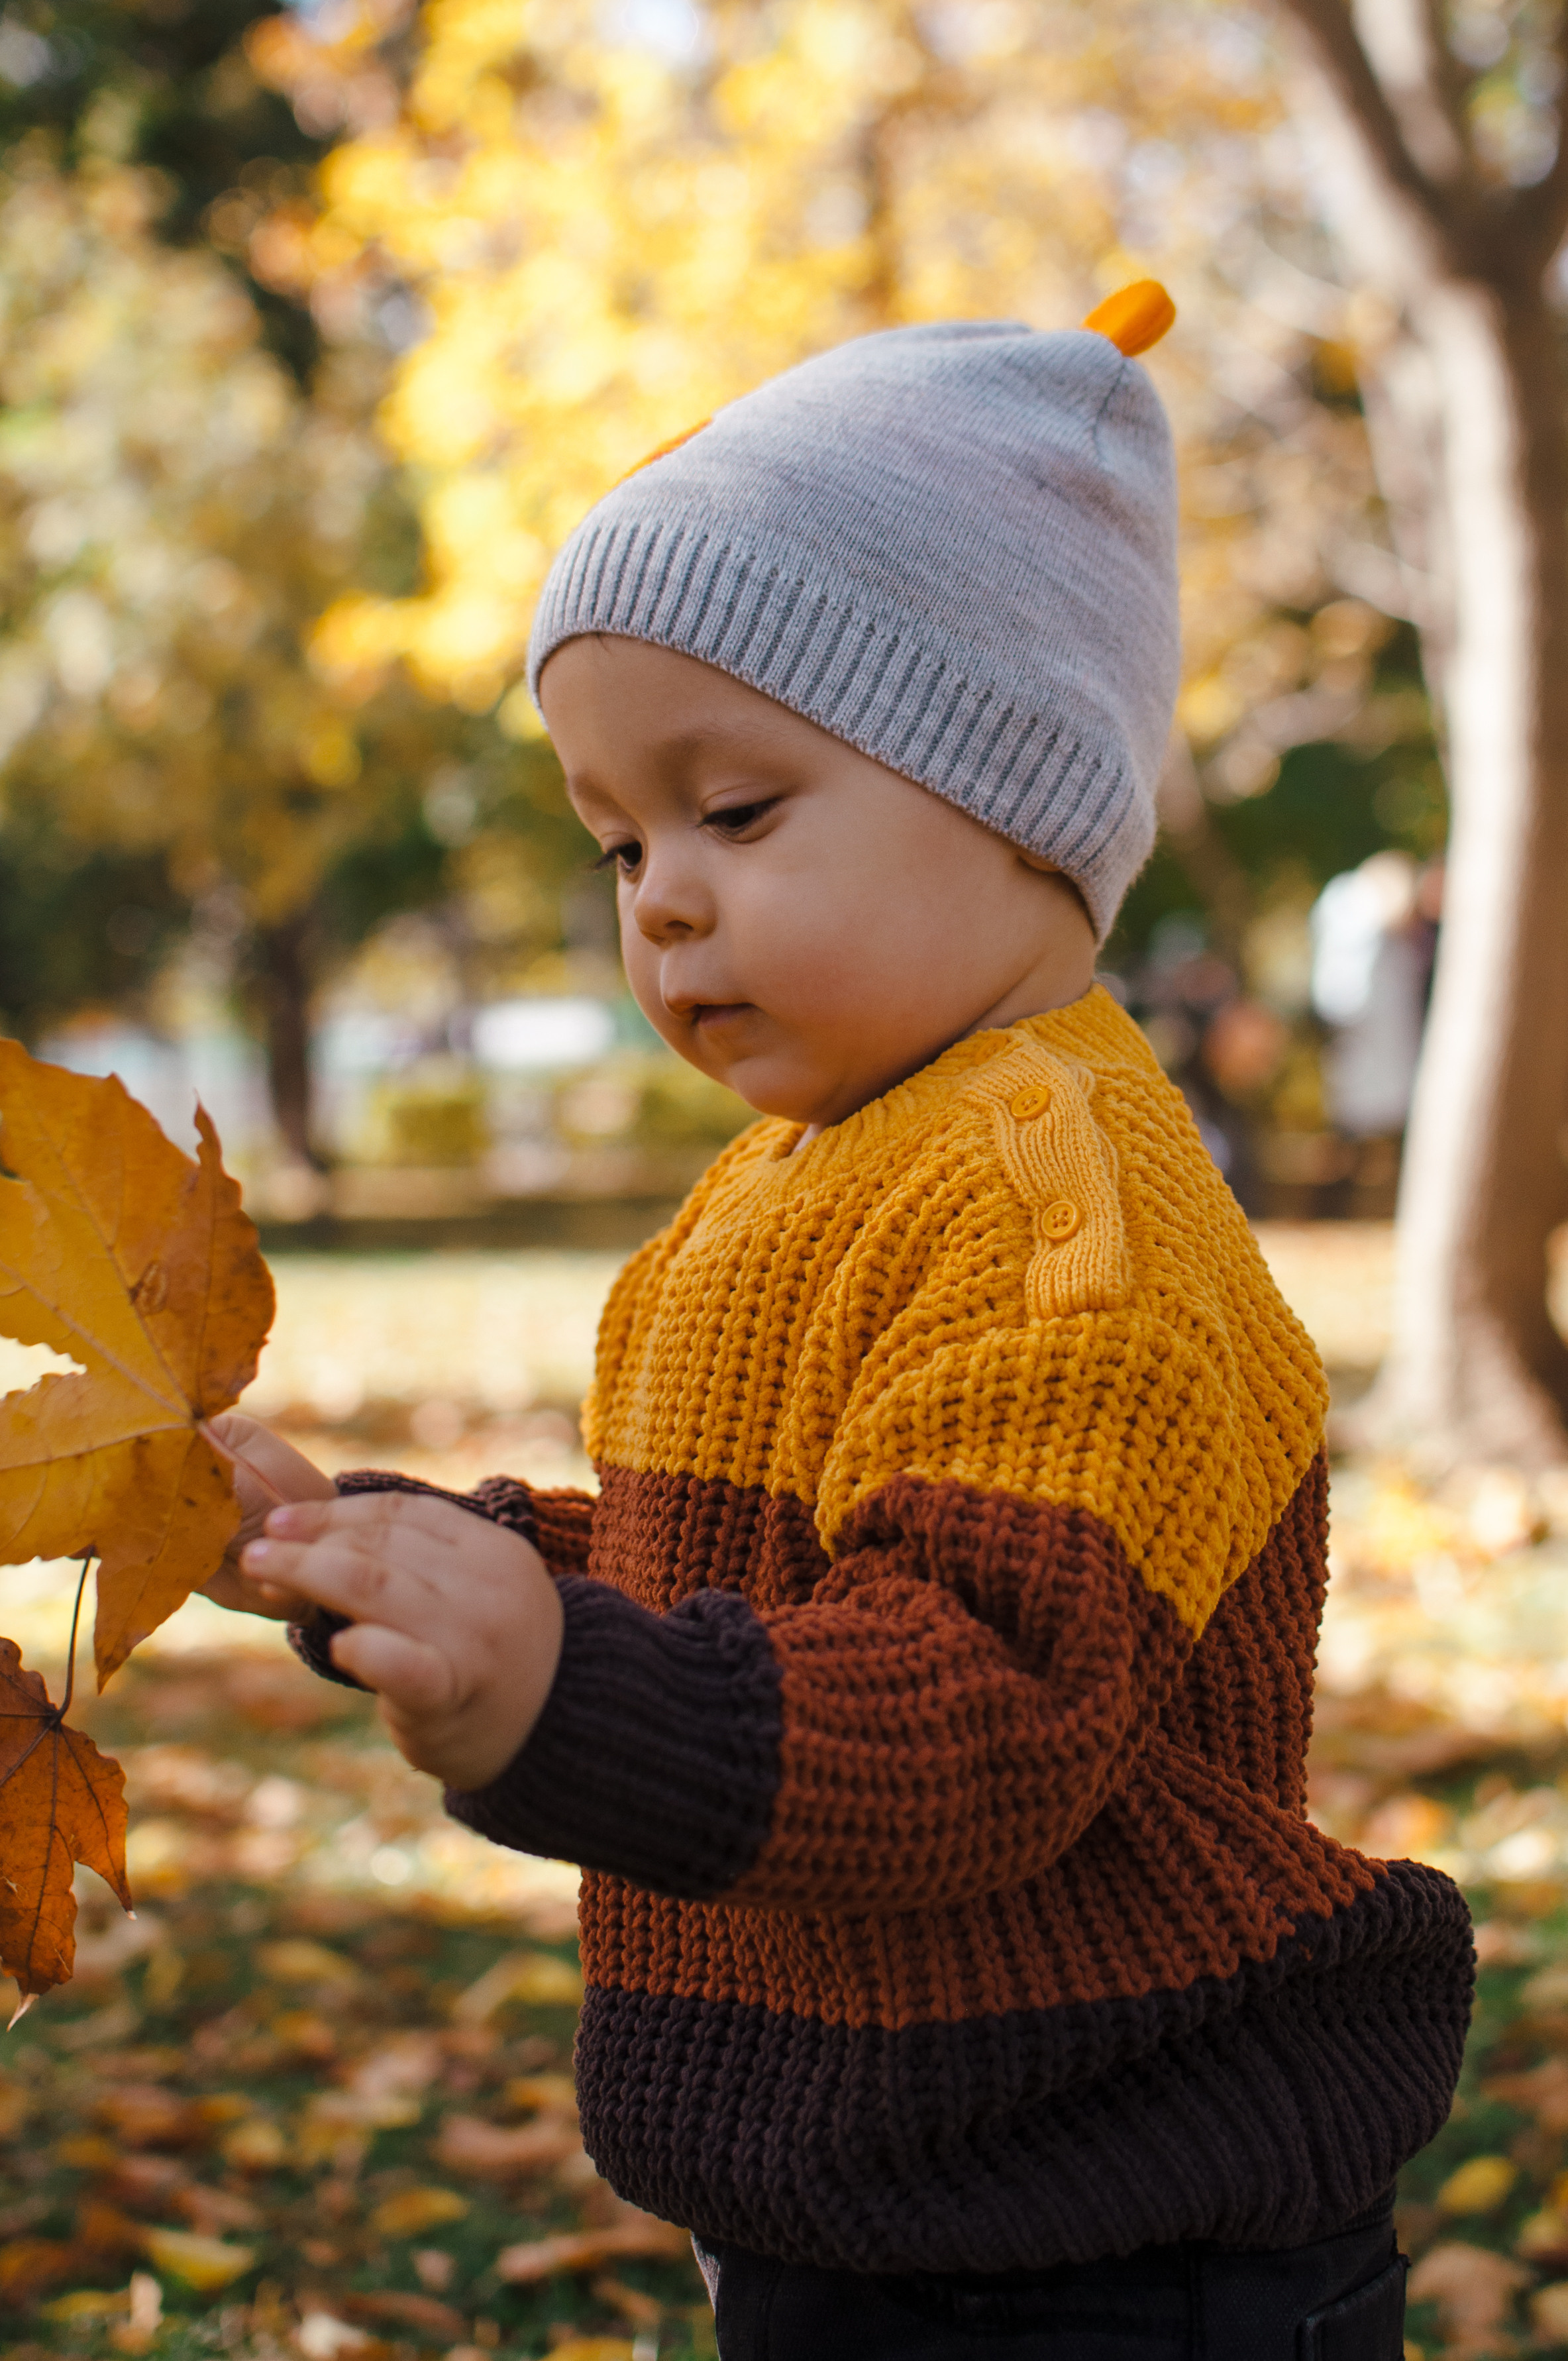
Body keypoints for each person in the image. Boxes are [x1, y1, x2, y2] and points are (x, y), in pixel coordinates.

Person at [205, 288, 1472, 2360]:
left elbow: (982, 1699)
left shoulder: (1063, 1210)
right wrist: (404, 1545)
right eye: (618, 840)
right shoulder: (794, 1183)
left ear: (1011, 784)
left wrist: (564, 1691)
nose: (659, 897)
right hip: (868, 2200)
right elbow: (740, 1582)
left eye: (736, 810)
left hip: (1105, 2240)